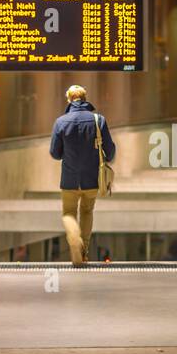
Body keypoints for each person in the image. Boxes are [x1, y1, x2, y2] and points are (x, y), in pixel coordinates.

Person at [49, 85, 116, 266]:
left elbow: (55, 153)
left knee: (68, 213)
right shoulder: (98, 120)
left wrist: (67, 153)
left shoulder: (61, 122)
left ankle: (75, 241)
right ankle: (83, 252)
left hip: (69, 179)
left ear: (69, 100)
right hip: (92, 178)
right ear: (85, 99)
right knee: (87, 211)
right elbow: (110, 150)